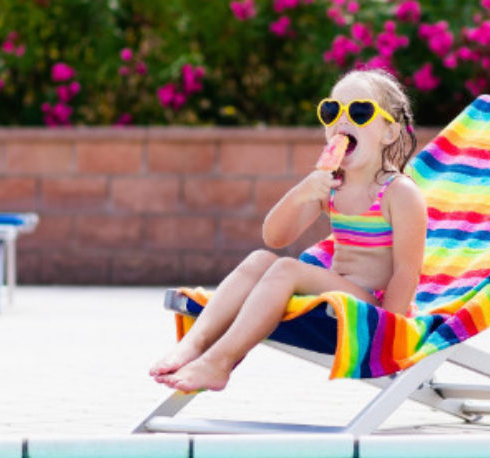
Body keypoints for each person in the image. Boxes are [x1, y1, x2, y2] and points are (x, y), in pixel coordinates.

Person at [150, 68, 427, 392]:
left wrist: (385, 334)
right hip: (335, 292)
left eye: (360, 112)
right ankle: (196, 344)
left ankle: (220, 362)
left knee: (285, 270)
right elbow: (275, 237)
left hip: (372, 306)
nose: (342, 121)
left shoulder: (399, 193)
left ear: (390, 134)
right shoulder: (332, 186)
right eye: (331, 110)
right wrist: (304, 192)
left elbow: (407, 272)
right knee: (258, 259)